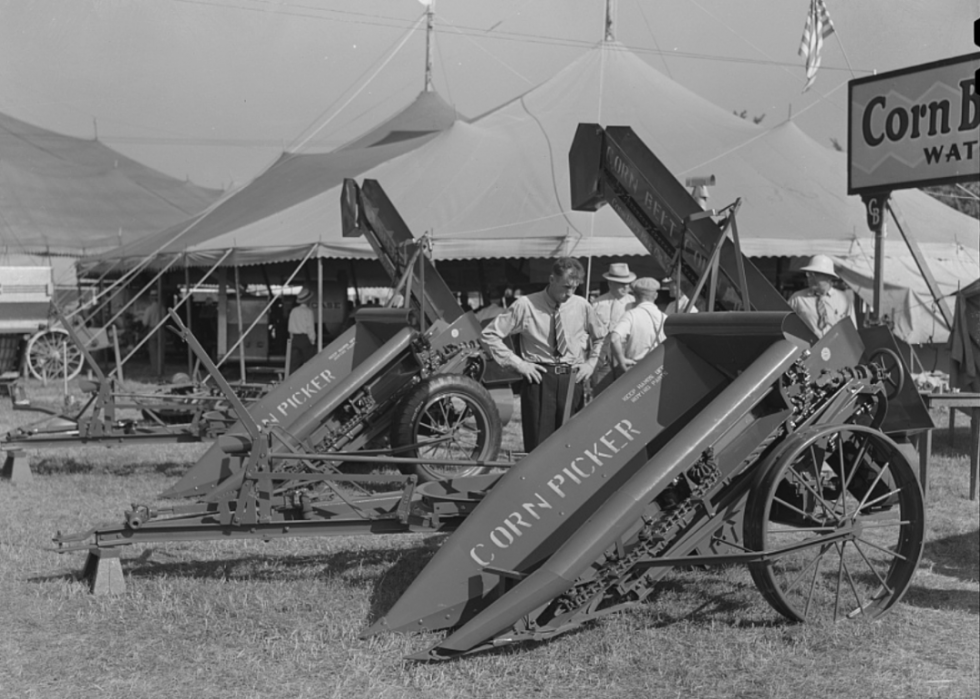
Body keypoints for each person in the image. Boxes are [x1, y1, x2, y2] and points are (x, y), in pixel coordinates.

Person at [482, 257, 601, 451]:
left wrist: (591, 363)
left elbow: (600, 337)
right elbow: (490, 335)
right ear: (552, 279)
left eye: (575, 287)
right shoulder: (525, 305)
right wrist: (518, 363)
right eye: (565, 287)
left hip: (572, 379)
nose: (570, 293)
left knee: (573, 445)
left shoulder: (582, 305)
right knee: (539, 447)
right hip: (539, 380)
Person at [591, 262, 636, 391]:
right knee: (601, 393)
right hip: (602, 355)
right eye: (621, 283)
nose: (626, 286)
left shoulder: (634, 304)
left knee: (626, 392)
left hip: (625, 353)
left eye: (627, 283)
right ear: (610, 283)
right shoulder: (597, 304)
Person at [609, 277, 667, 376]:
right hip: (659, 371)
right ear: (656, 295)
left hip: (635, 370)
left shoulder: (631, 315)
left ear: (635, 295)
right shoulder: (664, 317)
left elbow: (614, 339)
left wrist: (622, 360)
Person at [788, 254, 856, 338]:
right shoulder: (797, 299)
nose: (810, 278)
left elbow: (851, 331)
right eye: (808, 274)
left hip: (835, 348)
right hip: (808, 349)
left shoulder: (843, 299)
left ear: (828, 277)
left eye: (815, 274)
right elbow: (786, 325)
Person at [288, 288, 317, 373]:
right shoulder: (308, 311)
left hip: (295, 339)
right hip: (305, 339)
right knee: (311, 363)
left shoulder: (294, 311)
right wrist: (312, 341)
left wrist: (292, 337)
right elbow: (310, 328)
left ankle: (291, 383)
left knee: (293, 364)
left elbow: (290, 327)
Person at [141, 290, 164, 377]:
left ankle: (155, 371)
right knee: (161, 351)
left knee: (153, 351)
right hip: (161, 329)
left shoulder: (149, 309)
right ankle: (161, 370)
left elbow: (145, 323)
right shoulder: (162, 308)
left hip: (153, 329)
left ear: (151, 298)